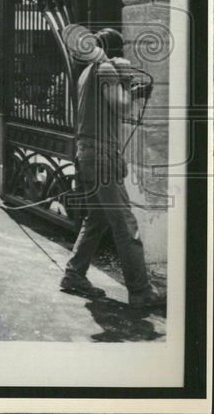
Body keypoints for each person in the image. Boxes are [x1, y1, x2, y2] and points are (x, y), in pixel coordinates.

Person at [60, 28, 165, 309]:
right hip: (102, 155)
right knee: (125, 224)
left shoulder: (87, 72)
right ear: (117, 51)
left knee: (96, 219)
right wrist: (129, 87)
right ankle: (141, 292)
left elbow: (106, 103)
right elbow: (120, 107)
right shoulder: (106, 68)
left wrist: (133, 91)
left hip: (87, 152)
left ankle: (73, 275)